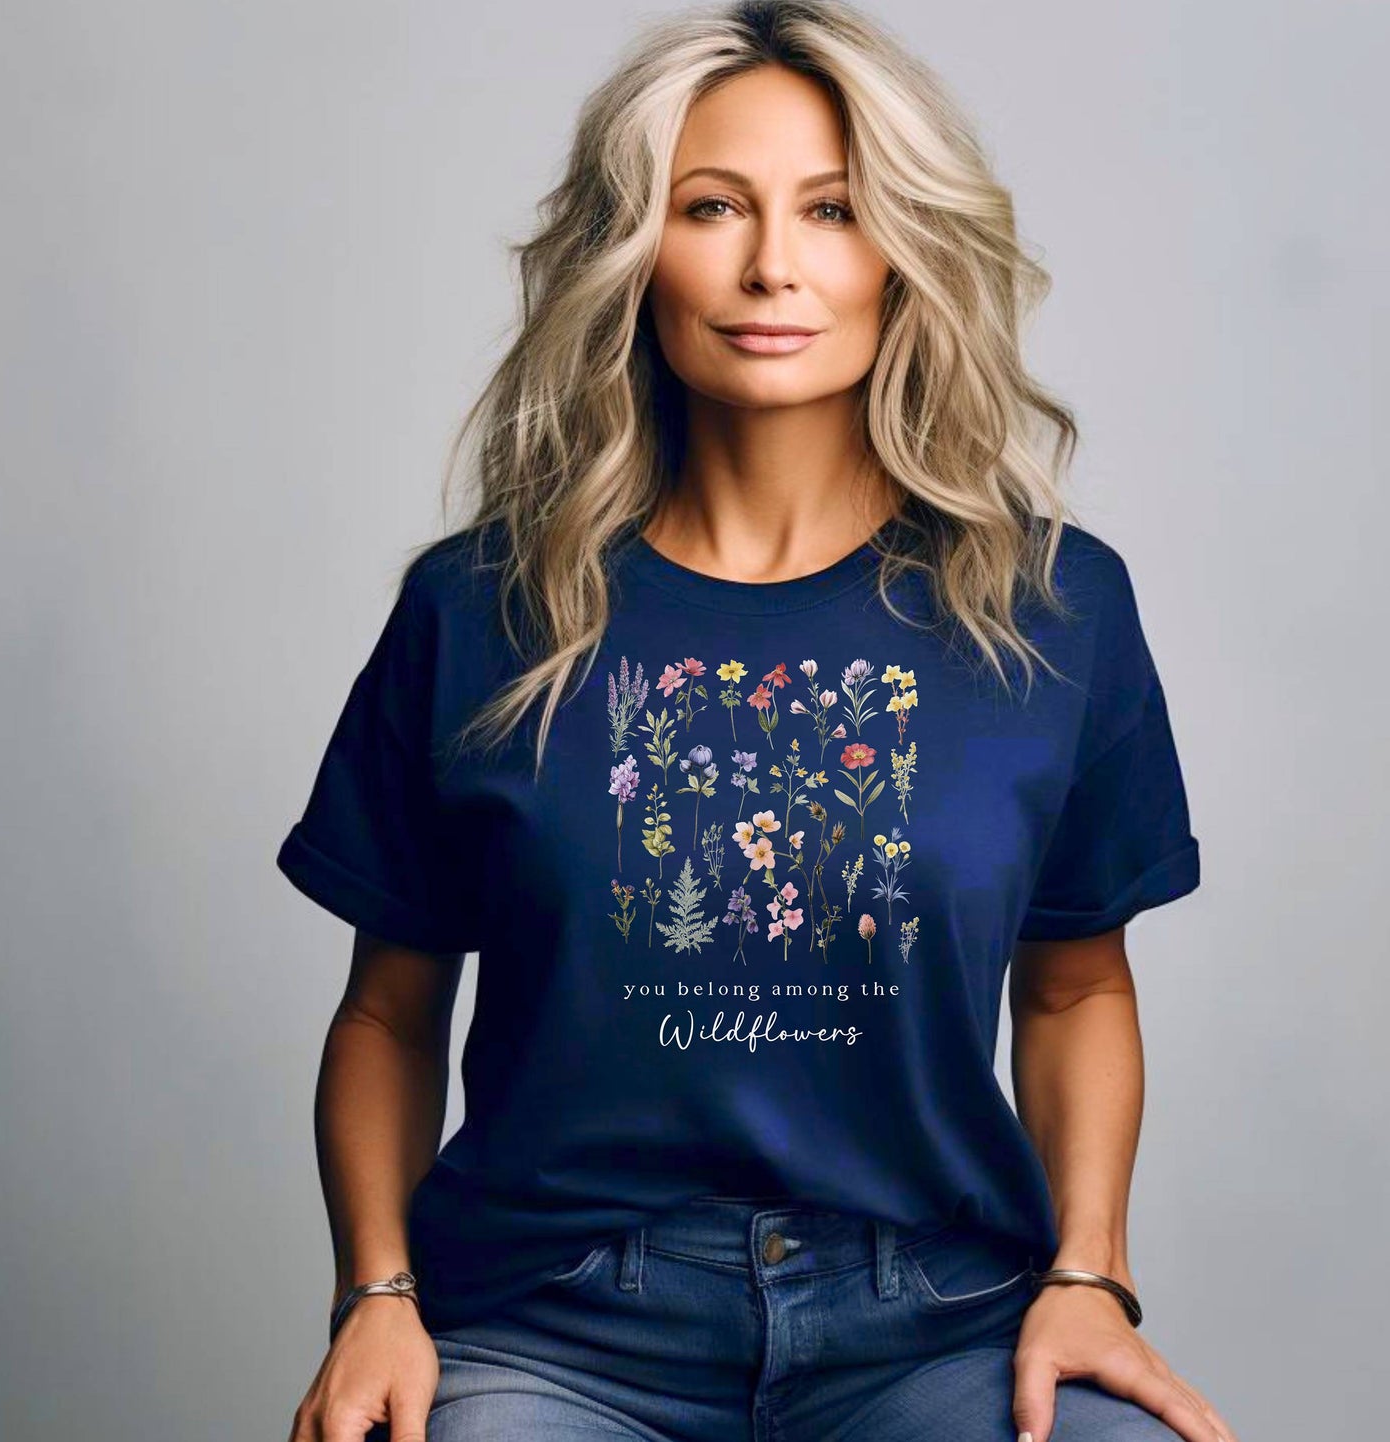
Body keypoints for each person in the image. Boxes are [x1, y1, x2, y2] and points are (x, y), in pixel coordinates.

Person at [276, 3, 1239, 1440]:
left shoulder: (1049, 605)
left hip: (935, 1316)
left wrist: (1089, 1271)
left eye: (834, 211)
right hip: (558, 1325)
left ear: (903, 250)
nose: (771, 265)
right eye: (711, 206)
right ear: (632, 249)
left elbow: (1075, 987)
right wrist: (377, 1297)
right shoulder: (480, 606)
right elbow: (387, 1014)